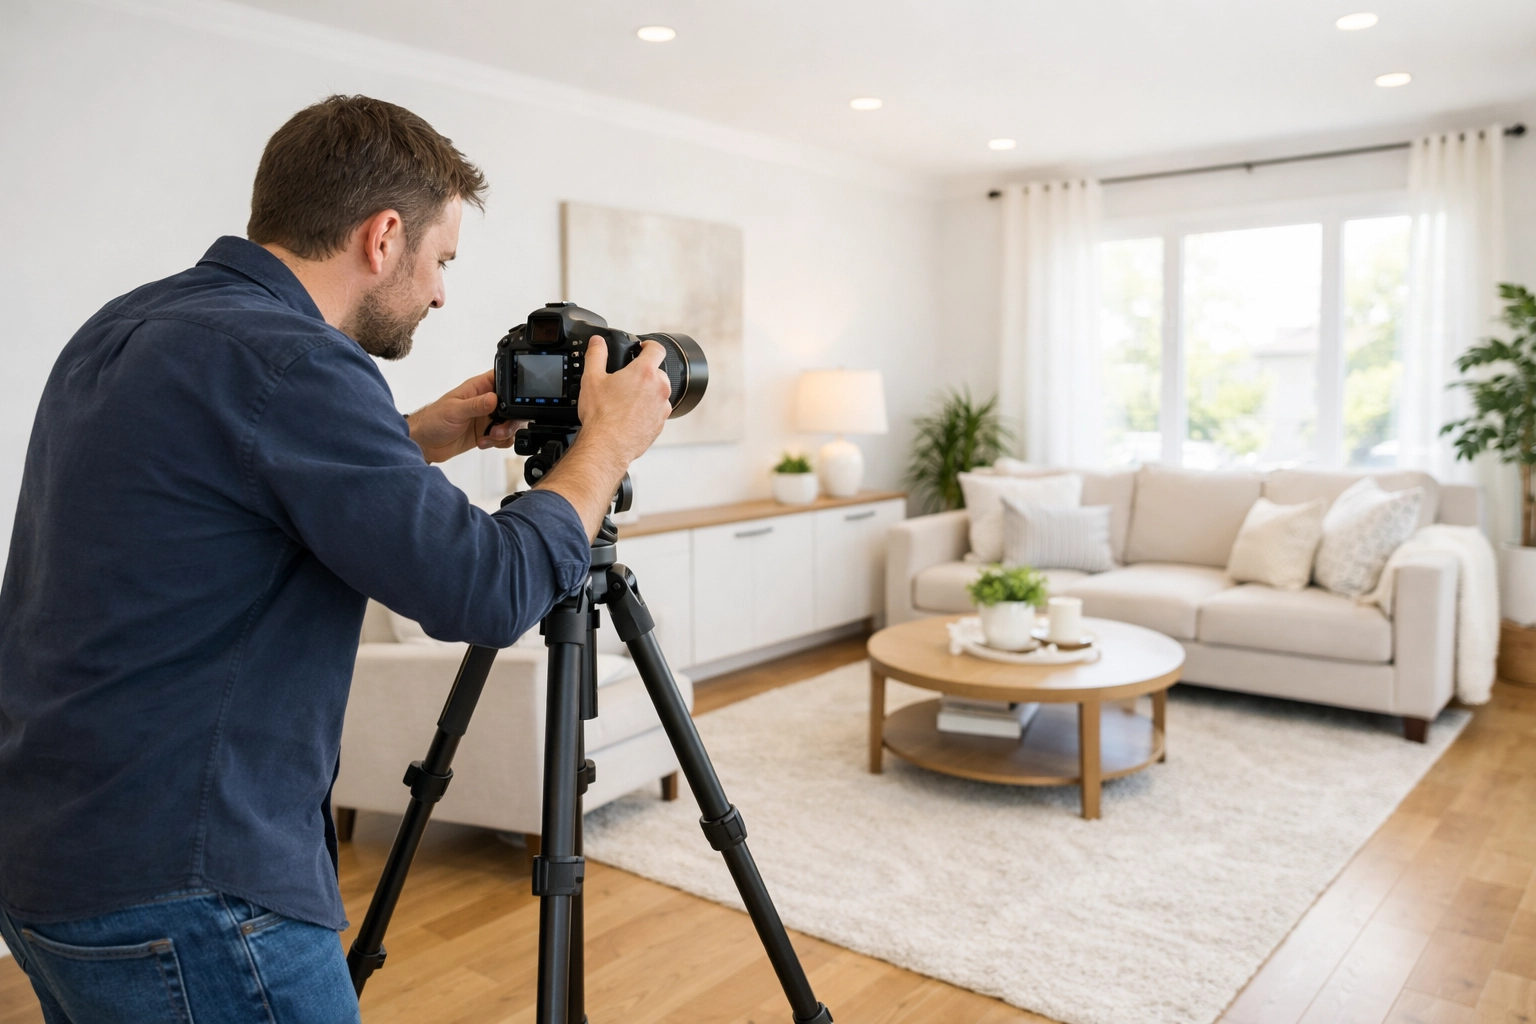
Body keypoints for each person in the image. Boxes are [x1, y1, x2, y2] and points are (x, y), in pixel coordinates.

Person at [0, 95, 673, 1023]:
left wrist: (409, 437)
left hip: (49, 857)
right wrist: (606, 445)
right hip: (191, 887)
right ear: (383, 236)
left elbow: (223, 491)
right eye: (442, 260)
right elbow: (488, 590)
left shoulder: (132, 323)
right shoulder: (298, 361)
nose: (441, 293)